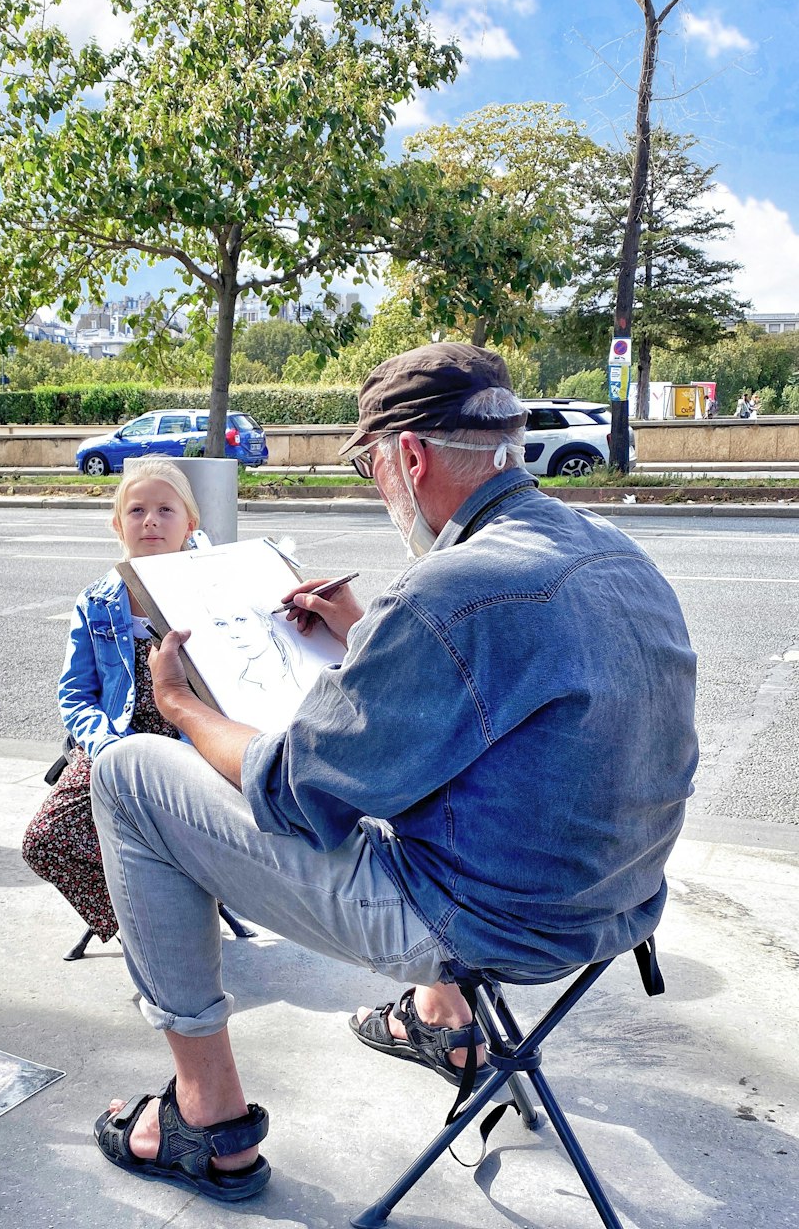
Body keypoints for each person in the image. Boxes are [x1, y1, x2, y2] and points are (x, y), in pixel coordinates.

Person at [89, 344, 698, 1204]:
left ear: (407, 457)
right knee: (413, 783)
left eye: (373, 467)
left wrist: (183, 707)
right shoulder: (614, 552)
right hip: (617, 904)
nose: (380, 489)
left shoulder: (447, 589)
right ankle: (440, 1016)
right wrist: (360, 634)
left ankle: (207, 1116)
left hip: (482, 924)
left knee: (128, 773)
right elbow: (510, 703)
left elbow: (290, 790)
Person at [22, 458, 203, 952]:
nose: (151, 521)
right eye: (137, 510)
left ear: (190, 522)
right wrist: (105, 749)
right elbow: (76, 694)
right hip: (116, 742)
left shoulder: (214, 588)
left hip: (196, 743)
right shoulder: (97, 601)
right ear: (117, 524)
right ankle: (146, 920)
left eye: (166, 510)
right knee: (46, 840)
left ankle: (174, 917)